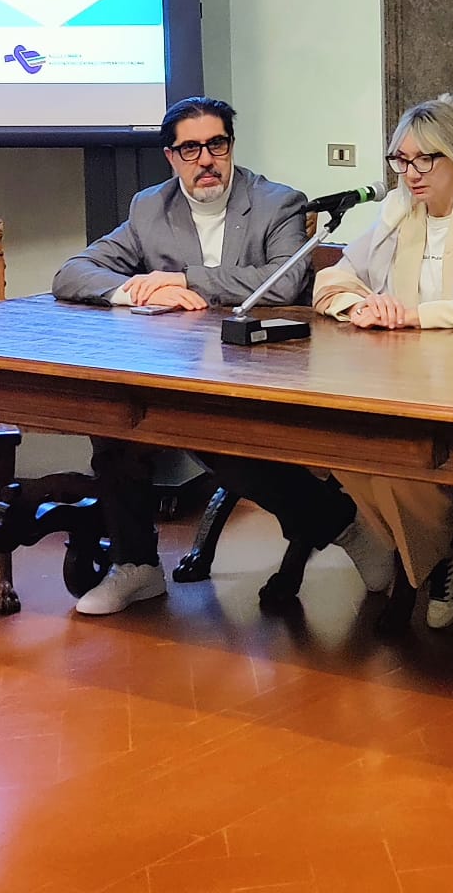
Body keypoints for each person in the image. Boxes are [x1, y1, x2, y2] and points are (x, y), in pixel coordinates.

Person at [53, 96, 396, 613]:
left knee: (228, 451)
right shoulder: (150, 207)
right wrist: (133, 290)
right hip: (174, 365)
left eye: (217, 144)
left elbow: (283, 282)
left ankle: (344, 526)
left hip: (258, 364)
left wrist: (184, 279)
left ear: (231, 146)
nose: (206, 160)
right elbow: (73, 272)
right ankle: (137, 566)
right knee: (113, 430)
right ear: (171, 157)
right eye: (190, 149)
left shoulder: (277, 202)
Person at [313, 93, 453, 629]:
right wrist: (364, 307)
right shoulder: (399, 211)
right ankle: (451, 542)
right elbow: (333, 279)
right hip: (402, 373)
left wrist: (416, 316)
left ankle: (440, 551)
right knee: (348, 447)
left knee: (396, 453)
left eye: (424, 160)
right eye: (401, 160)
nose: (411, 173)